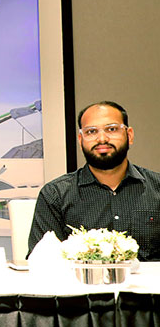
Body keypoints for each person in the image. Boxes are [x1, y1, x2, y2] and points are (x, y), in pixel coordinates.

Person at [28, 101, 160, 261]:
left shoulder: (157, 188)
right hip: (81, 278)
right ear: (80, 140)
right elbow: (42, 261)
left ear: (129, 135)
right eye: (91, 132)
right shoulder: (56, 194)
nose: (102, 139)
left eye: (111, 129)